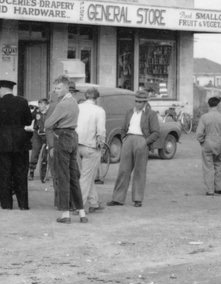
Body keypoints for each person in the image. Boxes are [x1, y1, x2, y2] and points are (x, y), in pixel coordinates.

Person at [45, 75, 87, 224]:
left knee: (63, 176)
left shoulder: (62, 104)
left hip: (62, 137)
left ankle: (65, 214)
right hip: (73, 136)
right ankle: (82, 212)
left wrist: (54, 124)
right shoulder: (74, 102)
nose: (55, 91)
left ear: (65, 87)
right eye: (55, 88)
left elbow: (48, 123)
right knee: (73, 176)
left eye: (57, 88)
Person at [107, 89, 160, 208]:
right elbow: (123, 128)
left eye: (140, 102)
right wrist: (124, 138)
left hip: (142, 140)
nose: (137, 104)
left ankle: (137, 199)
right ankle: (117, 199)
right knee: (123, 170)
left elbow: (156, 132)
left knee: (139, 171)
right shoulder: (129, 112)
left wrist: (145, 142)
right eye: (136, 101)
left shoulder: (151, 114)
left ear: (145, 103)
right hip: (128, 140)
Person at [0, 79, 33, 210]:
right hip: (21, 141)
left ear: (1, 89)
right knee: (21, 173)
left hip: (3, 142)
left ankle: (6, 204)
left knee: (4, 174)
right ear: (12, 89)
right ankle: (23, 204)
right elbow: (28, 121)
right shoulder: (23, 101)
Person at [75, 86, 107, 214]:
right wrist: (102, 145)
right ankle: (79, 206)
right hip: (91, 146)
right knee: (86, 177)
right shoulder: (99, 111)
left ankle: (94, 203)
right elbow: (101, 131)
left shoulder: (78, 107)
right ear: (96, 98)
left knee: (88, 176)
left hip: (77, 145)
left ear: (86, 96)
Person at [196, 96, 221, 196]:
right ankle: (219, 188)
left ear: (209, 105)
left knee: (208, 167)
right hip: (219, 143)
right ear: (218, 104)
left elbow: (199, 134)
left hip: (207, 143)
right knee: (219, 165)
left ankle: (210, 190)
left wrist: (202, 141)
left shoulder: (204, 117)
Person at [28, 97, 49, 183]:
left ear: (46, 105)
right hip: (38, 134)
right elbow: (29, 119)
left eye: (42, 104)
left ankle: (47, 170)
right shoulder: (37, 112)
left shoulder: (50, 113)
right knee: (35, 151)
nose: (40, 106)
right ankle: (32, 170)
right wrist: (32, 111)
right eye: (39, 104)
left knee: (49, 153)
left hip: (47, 135)